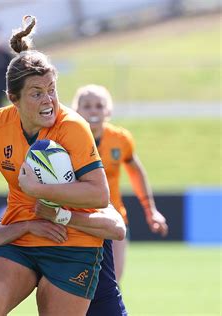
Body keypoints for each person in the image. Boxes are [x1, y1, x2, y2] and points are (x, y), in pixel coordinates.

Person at [0, 16, 111, 315]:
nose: (49, 100)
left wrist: (38, 188)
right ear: (14, 99)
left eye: (52, 89)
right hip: (19, 237)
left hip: (72, 242)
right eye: (37, 93)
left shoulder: (73, 127)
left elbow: (99, 195)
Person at [72, 84, 169, 283]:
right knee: (76, 286)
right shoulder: (66, 138)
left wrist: (150, 210)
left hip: (113, 220)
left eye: (99, 106)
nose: (93, 110)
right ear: (76, 110)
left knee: (112, 283)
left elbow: (136, 171)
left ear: (108, 110)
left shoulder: (121, 139)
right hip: (77, 220)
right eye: (87, 105)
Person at [0, 204, 128, 316]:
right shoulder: (33, 214)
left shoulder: (90, 205)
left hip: (103, 307)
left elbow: (118, 229)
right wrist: (26, 226)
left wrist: (60, 216)